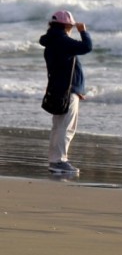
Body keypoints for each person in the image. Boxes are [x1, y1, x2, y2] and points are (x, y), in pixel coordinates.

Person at [39, 10, 93, 175]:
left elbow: (68, 67)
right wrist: (83, 31)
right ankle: (59, 161)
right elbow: (87, 47)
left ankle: (55, 160)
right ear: (67, 25)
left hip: (59, 89)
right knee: (66, 127)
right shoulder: (62, 41)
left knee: (58, 126)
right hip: (66, 91)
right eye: (71, 25)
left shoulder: (52, 41)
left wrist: (78, 88)